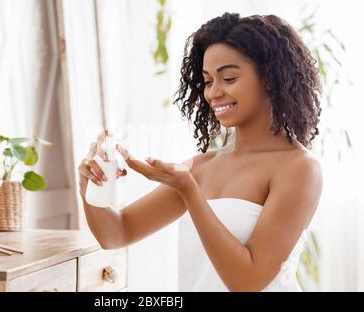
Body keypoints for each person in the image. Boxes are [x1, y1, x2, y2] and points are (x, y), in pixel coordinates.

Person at [77, 12, 323, 291]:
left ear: (269, 78)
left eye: (229, 78)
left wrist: (189, 191)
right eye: (207, 81)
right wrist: (90, 185)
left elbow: (248, 282)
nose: (213, 93)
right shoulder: (201, 167)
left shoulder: (299, 168)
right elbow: (117, 233)